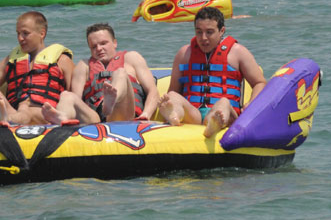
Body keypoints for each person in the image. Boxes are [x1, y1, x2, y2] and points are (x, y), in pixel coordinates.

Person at [157, 7, 267, 138]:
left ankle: (214, 122)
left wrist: (251, 104)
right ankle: (174, 115)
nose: (203, 38)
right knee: (173, 95)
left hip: (224, 112)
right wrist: (172, 101)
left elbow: (259, 82)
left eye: (209, 32)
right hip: (194, 114)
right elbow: (174, 89)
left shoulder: (238, 52)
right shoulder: (184, 54)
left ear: (221, 31)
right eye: (199, 32)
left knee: (223, 103)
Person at [0, 11, 74, 127]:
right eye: (18, 33)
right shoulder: (11, 60)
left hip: (45, 115)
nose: (20, 38)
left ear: (42, 33)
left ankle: (7, 118)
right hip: (14, 111)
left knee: (26, 110)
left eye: (25, 33)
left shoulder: (62, 61)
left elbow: (71, 96)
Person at [42, 23, 159, 125]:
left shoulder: (131, 58)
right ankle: (62, 117)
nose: (99, 48)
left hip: (124, 114)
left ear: (114, 43)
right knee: (66, 95)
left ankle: (112, 100)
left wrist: (146, 115)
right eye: (94, 46)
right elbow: (76, 99)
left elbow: (153, 91)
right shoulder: (83, 66)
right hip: (96, 119)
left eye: (103, 43)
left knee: (120, 73)